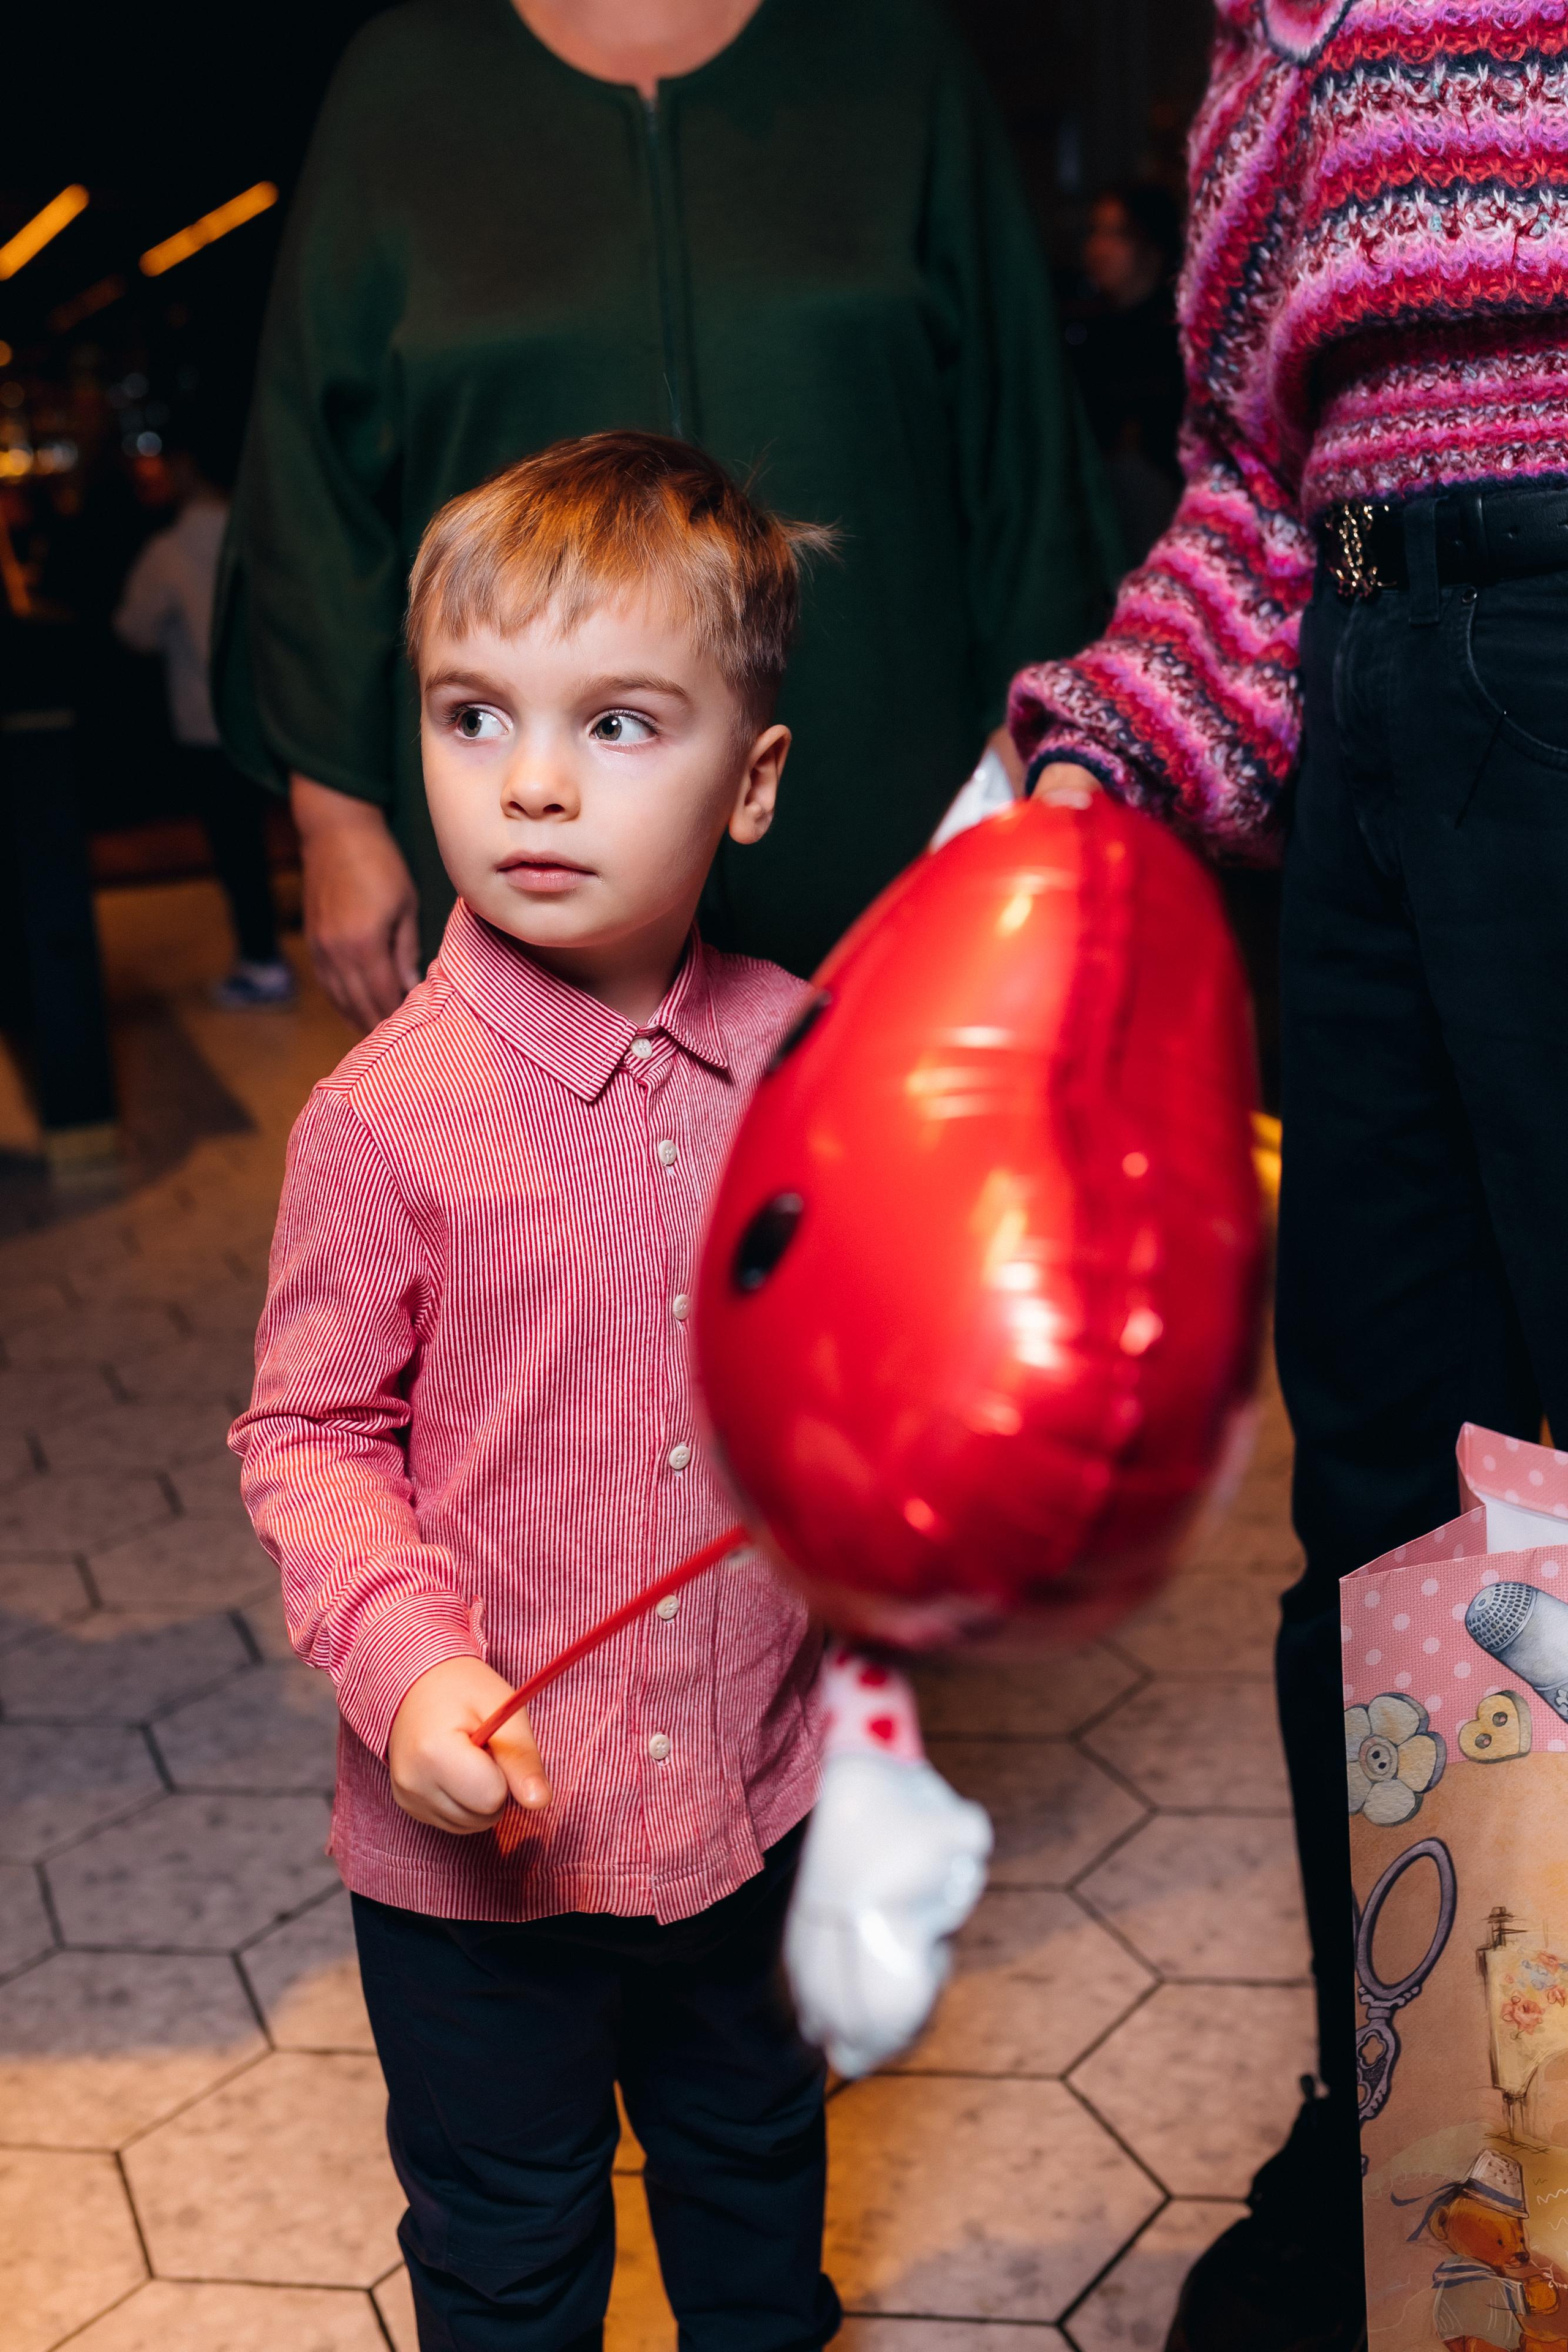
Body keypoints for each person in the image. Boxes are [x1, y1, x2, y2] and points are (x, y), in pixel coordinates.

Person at [1007, 4, 1568, 2348]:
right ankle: (1446, 2147)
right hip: (1362, 704)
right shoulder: (1260, 25)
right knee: (1394, 1487)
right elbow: (1260, 484)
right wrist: (1097, 766)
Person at [229, 431, 840, 2351]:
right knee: (509, 2248)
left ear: (750, 783)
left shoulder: (811, 1056)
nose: (536, 783)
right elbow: (311, 1436)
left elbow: (862, 1342)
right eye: (473, 714)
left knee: (754, 2180)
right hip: (478, 1857)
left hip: (757, 1790)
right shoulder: (379, 1119)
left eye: (622, 722)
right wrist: (407, 1665)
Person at [213, 0, 1115, 1028]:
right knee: (538, 1184)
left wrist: (1039, 754)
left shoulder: (897, 58)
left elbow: (1023, 446)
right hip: (528, 842)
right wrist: (335, 820)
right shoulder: (403, 83)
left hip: (893, 813)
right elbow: (308, 487)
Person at [113, 425, 295, 1008]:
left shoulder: (168, 550)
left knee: (236, 846)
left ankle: (262, 961)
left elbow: (133, 629)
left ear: (189, 468)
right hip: (281, 715)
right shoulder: (262, 538)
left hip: (208, 720)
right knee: (296, 836)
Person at [1061, 182, 1186, 567]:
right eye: (1094, 233)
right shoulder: (1083, 330)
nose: (1098, 249)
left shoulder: (1179, 335)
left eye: (1116, 235)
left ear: (1151, 245)